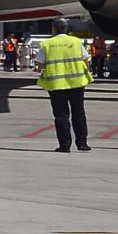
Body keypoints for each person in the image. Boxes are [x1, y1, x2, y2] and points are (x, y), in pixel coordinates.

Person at [38, 17, 93, 152]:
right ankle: (82, 143)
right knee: (79, 113)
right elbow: (86, 59)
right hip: (77, 82)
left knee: (61, 115)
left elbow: (40, 64)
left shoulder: (47, 44)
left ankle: (65, 145)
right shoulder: (75, 41)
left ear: (54, 29)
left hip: (56, 84)